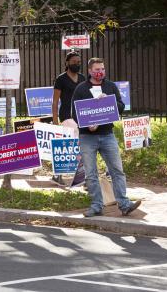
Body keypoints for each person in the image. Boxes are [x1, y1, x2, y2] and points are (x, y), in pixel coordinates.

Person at [72, 57, 141, 217]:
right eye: (97, 69)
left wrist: (110, 102)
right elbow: (74, 113)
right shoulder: (81, 89)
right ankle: (96, 206)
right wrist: (87, 125)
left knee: (117, 170)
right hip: (87, 137)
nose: (100, 72)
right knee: (91, 174)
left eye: (102, 69)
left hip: (107, 135)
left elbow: (121, 107)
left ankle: (124, 204)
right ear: (90, 71)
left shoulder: (110, 87)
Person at [51, 51, 85, 185]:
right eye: (74, 62)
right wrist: (55, 120)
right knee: (76, 142)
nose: (77, 64)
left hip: (81, 116)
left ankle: (58, 174)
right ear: (67, 63)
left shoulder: (83, 78)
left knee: (68, 145)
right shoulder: (61, 79)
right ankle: (81, 175)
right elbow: (55, 101)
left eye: (79, 62)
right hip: (66, 115)